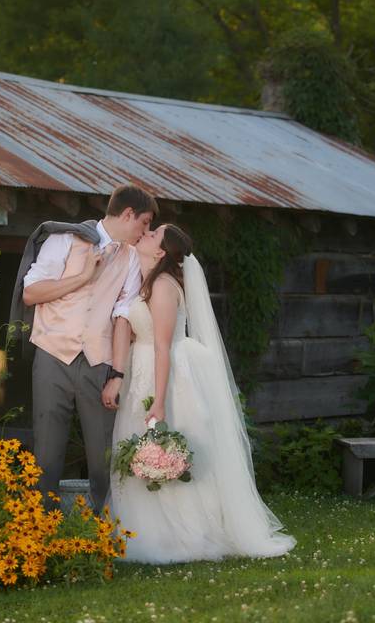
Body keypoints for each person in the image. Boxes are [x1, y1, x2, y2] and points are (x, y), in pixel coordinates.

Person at [107, 224, 296, 563]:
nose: (145, 234)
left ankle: (184, 533)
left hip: (163, 376)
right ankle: (150, 528)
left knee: (168, 446)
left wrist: (160, 402)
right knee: (143, 448)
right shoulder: (148, 283)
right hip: (143, 371)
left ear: (161, 252)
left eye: (153, 235)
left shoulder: (163, 286)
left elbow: (163, 347)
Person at [15, 184, 157, 512]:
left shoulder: (131, 256)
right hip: (53, 355)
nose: (145, 231)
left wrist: (117, 374)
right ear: (127, 214)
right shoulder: (64, 239)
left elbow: (124, 313)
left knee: (102, 454)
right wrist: (82, 277)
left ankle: (101, 532)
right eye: (145, 222)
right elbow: (31, 293)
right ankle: (42, 530)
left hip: (98, 361)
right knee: (47, 452)